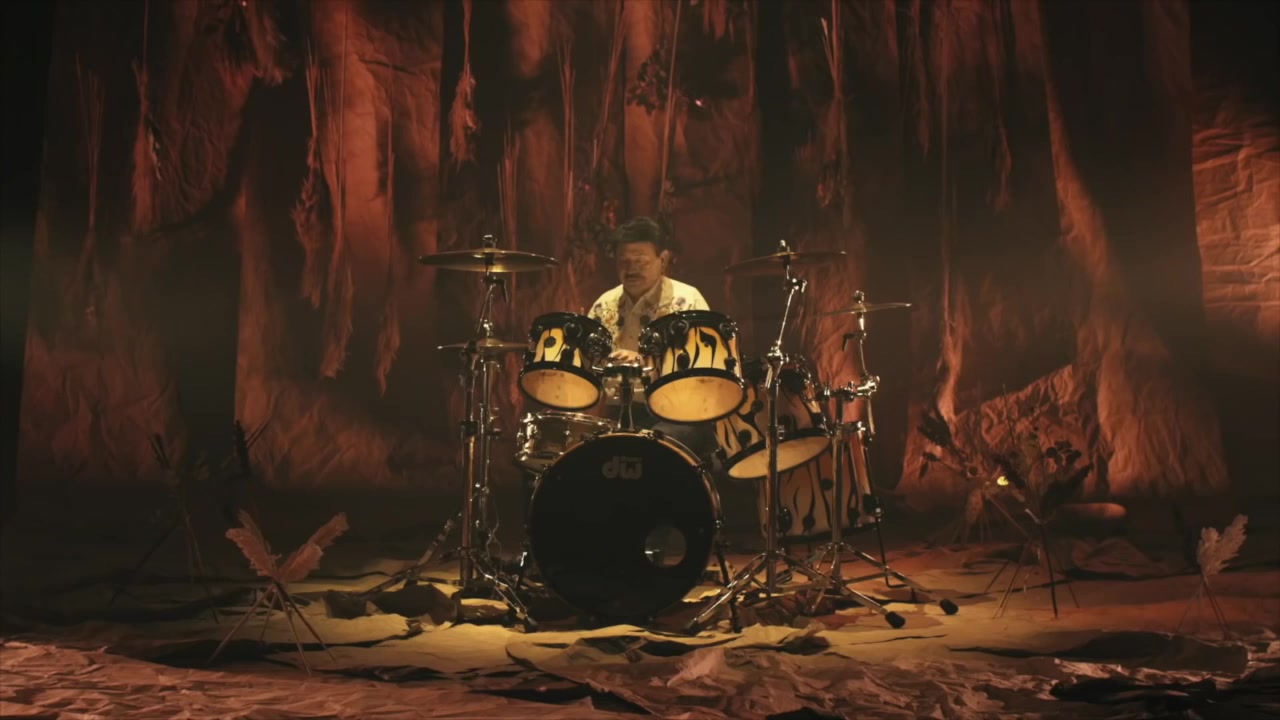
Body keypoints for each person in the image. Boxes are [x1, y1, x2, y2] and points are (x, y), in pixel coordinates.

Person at [586, 217, 718, 464]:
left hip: (679, 414)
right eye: (624, 262)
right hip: (617, 412)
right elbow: (587, 368)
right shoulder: (604, 305)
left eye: (641, 262)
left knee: (649, 450)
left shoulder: (688, 301)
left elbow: (703, 374)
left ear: (663, 260)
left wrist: (644, 362)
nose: (631, 269)